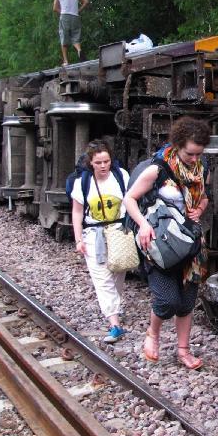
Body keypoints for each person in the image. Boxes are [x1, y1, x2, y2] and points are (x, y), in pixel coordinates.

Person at [123, 117, 210, 370]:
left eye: (198, 154)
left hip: (190, 242)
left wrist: (199, 210)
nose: (194, 159)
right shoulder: (158, 170)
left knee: (186, 301)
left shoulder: (199, 169)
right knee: (167, 300)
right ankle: (153, 333)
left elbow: (203, 197)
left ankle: (184, 350)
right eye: (190, 153)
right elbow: (129, 199)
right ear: (178, 145)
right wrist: (143, 224)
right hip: (160, 241)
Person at [70, 140, 130, 343]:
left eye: (106, 161)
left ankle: (113, 310)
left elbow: (130, 203)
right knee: (102, 280)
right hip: (94, 234)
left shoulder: (122, 176)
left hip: (119, 231)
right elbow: (77, 212)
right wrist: (78, 239)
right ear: (91, 163)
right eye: (98, 163)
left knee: (118, 273)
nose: (103, 166)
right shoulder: (82, 183)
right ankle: (115, 324)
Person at [53, 0, 89, 66]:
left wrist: (62, 12)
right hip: (75, 16)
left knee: (64, 38)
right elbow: (86, 1)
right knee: (75, 37)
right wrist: (79, 10)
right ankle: (79, 50)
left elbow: (54, 8)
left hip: (64, 16)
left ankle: (66, 61)